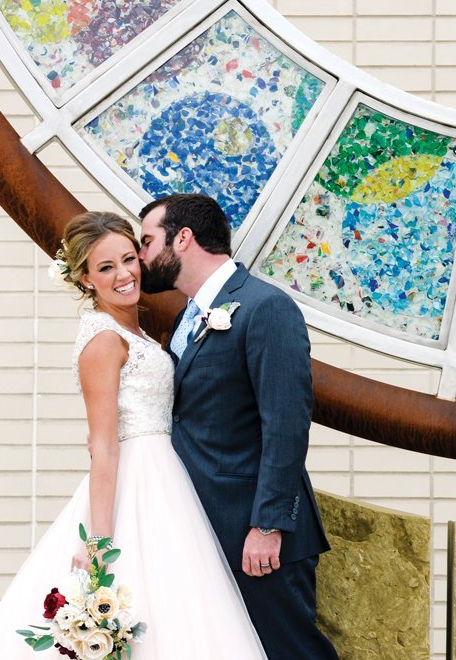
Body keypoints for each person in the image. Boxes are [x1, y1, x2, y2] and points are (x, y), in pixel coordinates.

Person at [0, 211, 266, 658]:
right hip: (136, 486)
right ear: (85, 279)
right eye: (106, 268)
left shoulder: (136, 328)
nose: (124, 274)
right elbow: (103, 445)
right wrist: (99, 543)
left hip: (167, 479)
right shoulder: (102, 340)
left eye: (129, 259)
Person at [138, 193, 339, 659]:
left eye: (148, 241)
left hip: (255, 531)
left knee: (289, 651)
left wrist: (267, 524)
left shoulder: (265, 307)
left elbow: (287, 423)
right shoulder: (186, 317)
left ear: (182, 239)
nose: (142, 255)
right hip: (199, 524)